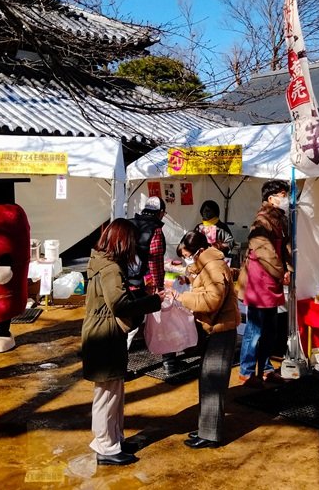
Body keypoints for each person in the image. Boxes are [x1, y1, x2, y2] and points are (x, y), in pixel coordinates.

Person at [81, 218, 162, 466]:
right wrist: (152, 301)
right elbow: (118, 304)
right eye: (133, 241)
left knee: (114, 391)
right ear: (123, 241)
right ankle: (105, 446)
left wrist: (141, 296)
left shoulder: (102, 262)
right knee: (107, 394)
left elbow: (114, 298)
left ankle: (114, 439)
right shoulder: (111, 268)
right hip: (104, 336)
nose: (135, 246)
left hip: (102, 333)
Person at [172, 230, 240, 449]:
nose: (186, 259)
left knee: (213, 382)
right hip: (212, 329)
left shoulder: (215, 267)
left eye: (187, 255)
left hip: (221, 330)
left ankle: (211, 435)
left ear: (198, 251)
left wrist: (182, 297)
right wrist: (189, 276)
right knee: (207, 379)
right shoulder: (206, 265)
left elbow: (212, 300)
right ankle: (205, 428)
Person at [237, 179, 291, 387]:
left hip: (272, 279)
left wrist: (289, 270)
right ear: (271, 198)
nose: (285, 199)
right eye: (282, 194)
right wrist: (281, 272)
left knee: (270, 327)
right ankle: (247, 371)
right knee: (254, 328)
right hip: (259, 280)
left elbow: (286, 248)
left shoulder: (280, 219)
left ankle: (266, 368)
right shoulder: (261, 221)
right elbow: (265, 253)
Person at [129, 196, 179, 373]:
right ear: (161, 213)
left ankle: (119, 364)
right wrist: (159, 288)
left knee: (129, 325)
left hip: (127, 281)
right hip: (146, 283)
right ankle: (169, 363)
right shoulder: (155, 230)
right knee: (162, 320)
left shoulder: (130, 224)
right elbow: (155, 260)